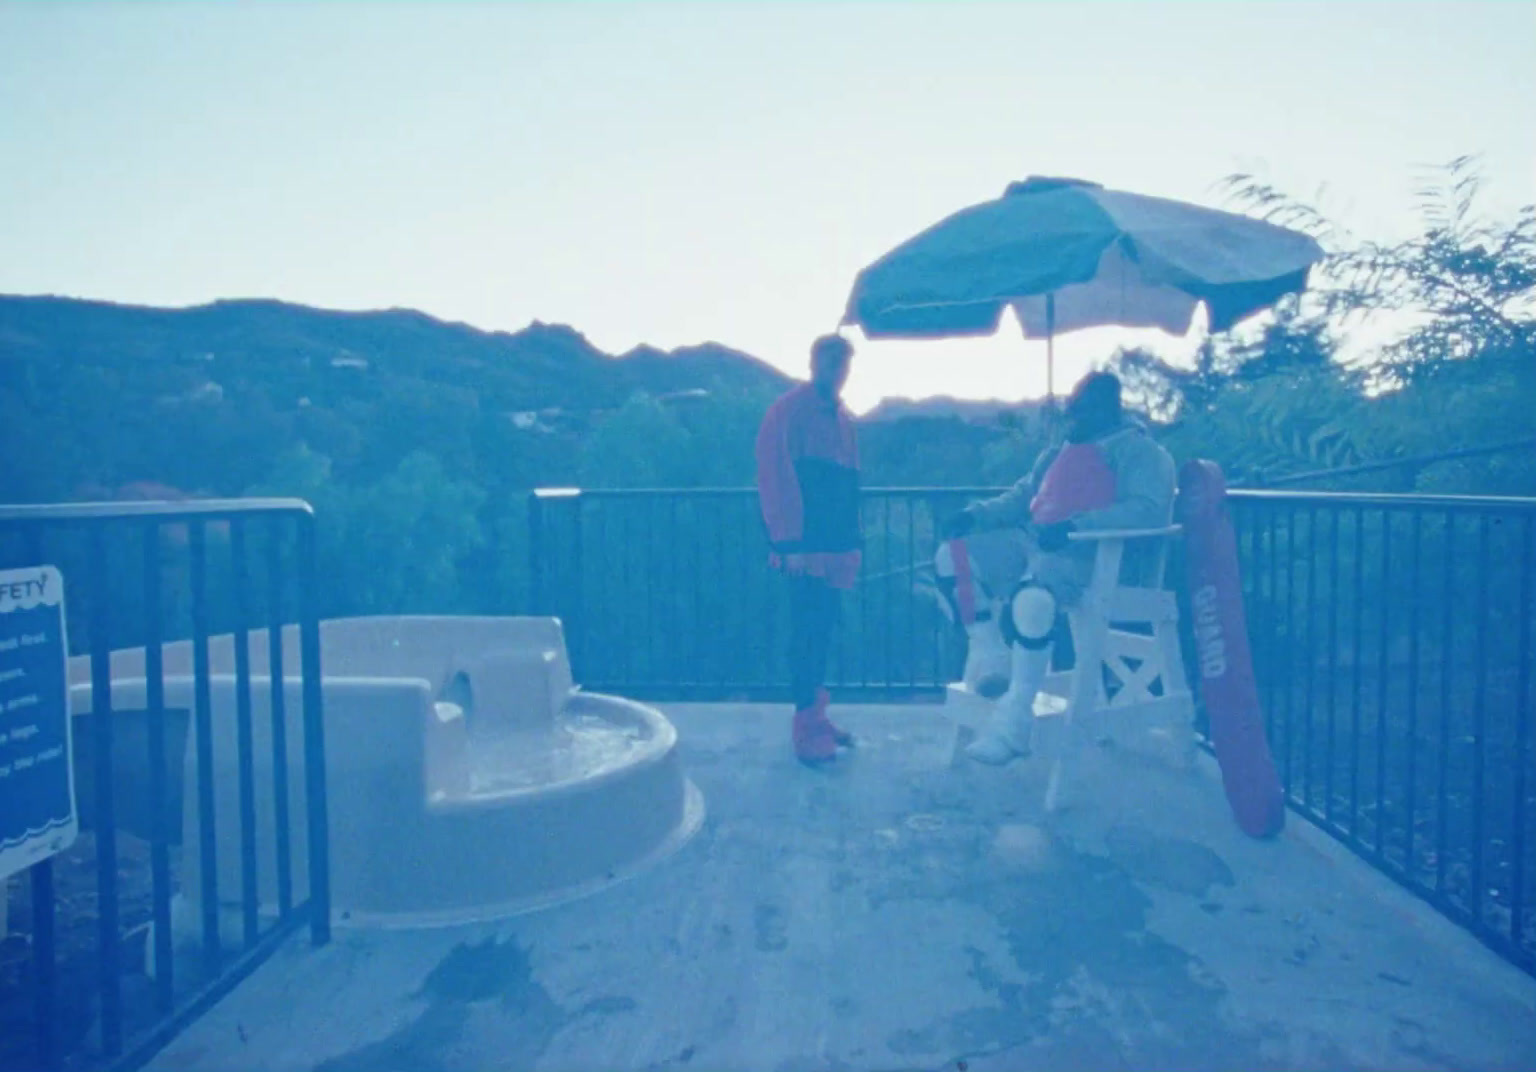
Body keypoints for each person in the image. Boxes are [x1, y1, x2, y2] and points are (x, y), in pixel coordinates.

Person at [935, 370, 1176, 765]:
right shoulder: (1058, 451)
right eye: (1072, 407)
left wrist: (1079, 527)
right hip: (1036, 542)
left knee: (1033, 601)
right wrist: (974, 516)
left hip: (1094, 557)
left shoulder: (1143, 454)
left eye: (1082, 409)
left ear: (1109, 408)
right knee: (954, 556)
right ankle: (989, 650)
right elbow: (1023, 497)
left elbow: (1148, 511)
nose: (1074, 416)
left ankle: (1013, 722)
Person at [755, 334, 862, 765]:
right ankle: (805, 730)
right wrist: (789, 545)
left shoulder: (843, 420)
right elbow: (774, 477)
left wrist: (852, 545)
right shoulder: (787, 412)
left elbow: (848, 488)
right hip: (804, 551)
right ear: (814, 361)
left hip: (834, 551)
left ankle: (818, 719)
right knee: (803, 638)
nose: (836, 369)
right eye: (830, 360)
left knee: (821, 636)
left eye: (843, 363)